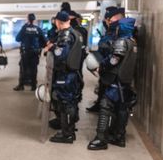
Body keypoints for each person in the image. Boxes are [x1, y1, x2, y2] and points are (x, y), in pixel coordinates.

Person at [88, 8, 137, 150]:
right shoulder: (132, 42)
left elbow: (114, 60)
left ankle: (101, 139)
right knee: (122, 109)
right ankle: (119, 137)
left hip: (116, 81)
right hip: (124, 82)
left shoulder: (121, 42)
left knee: (105, 106)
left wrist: (102, 66)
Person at [46, 11, 83, 143]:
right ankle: (69, 130)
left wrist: (51, 47)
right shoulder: (75, 33)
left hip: (65, 74)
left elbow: (61, 54)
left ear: (58, 22)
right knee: (70, 102)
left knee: (65, 103)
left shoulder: (65, 35)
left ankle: (67, 134)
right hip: (72, 73)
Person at [13, 13, 47, 91]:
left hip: (25, 52)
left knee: (23, 69)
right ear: (34, 20)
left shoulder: (24, 28)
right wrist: (39, 46)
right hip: (35, 52)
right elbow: (44, 41)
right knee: (34, 69)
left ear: (28, 19)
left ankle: (21, 85)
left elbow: (17, 39)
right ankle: (33, 86)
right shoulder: (38, 29)